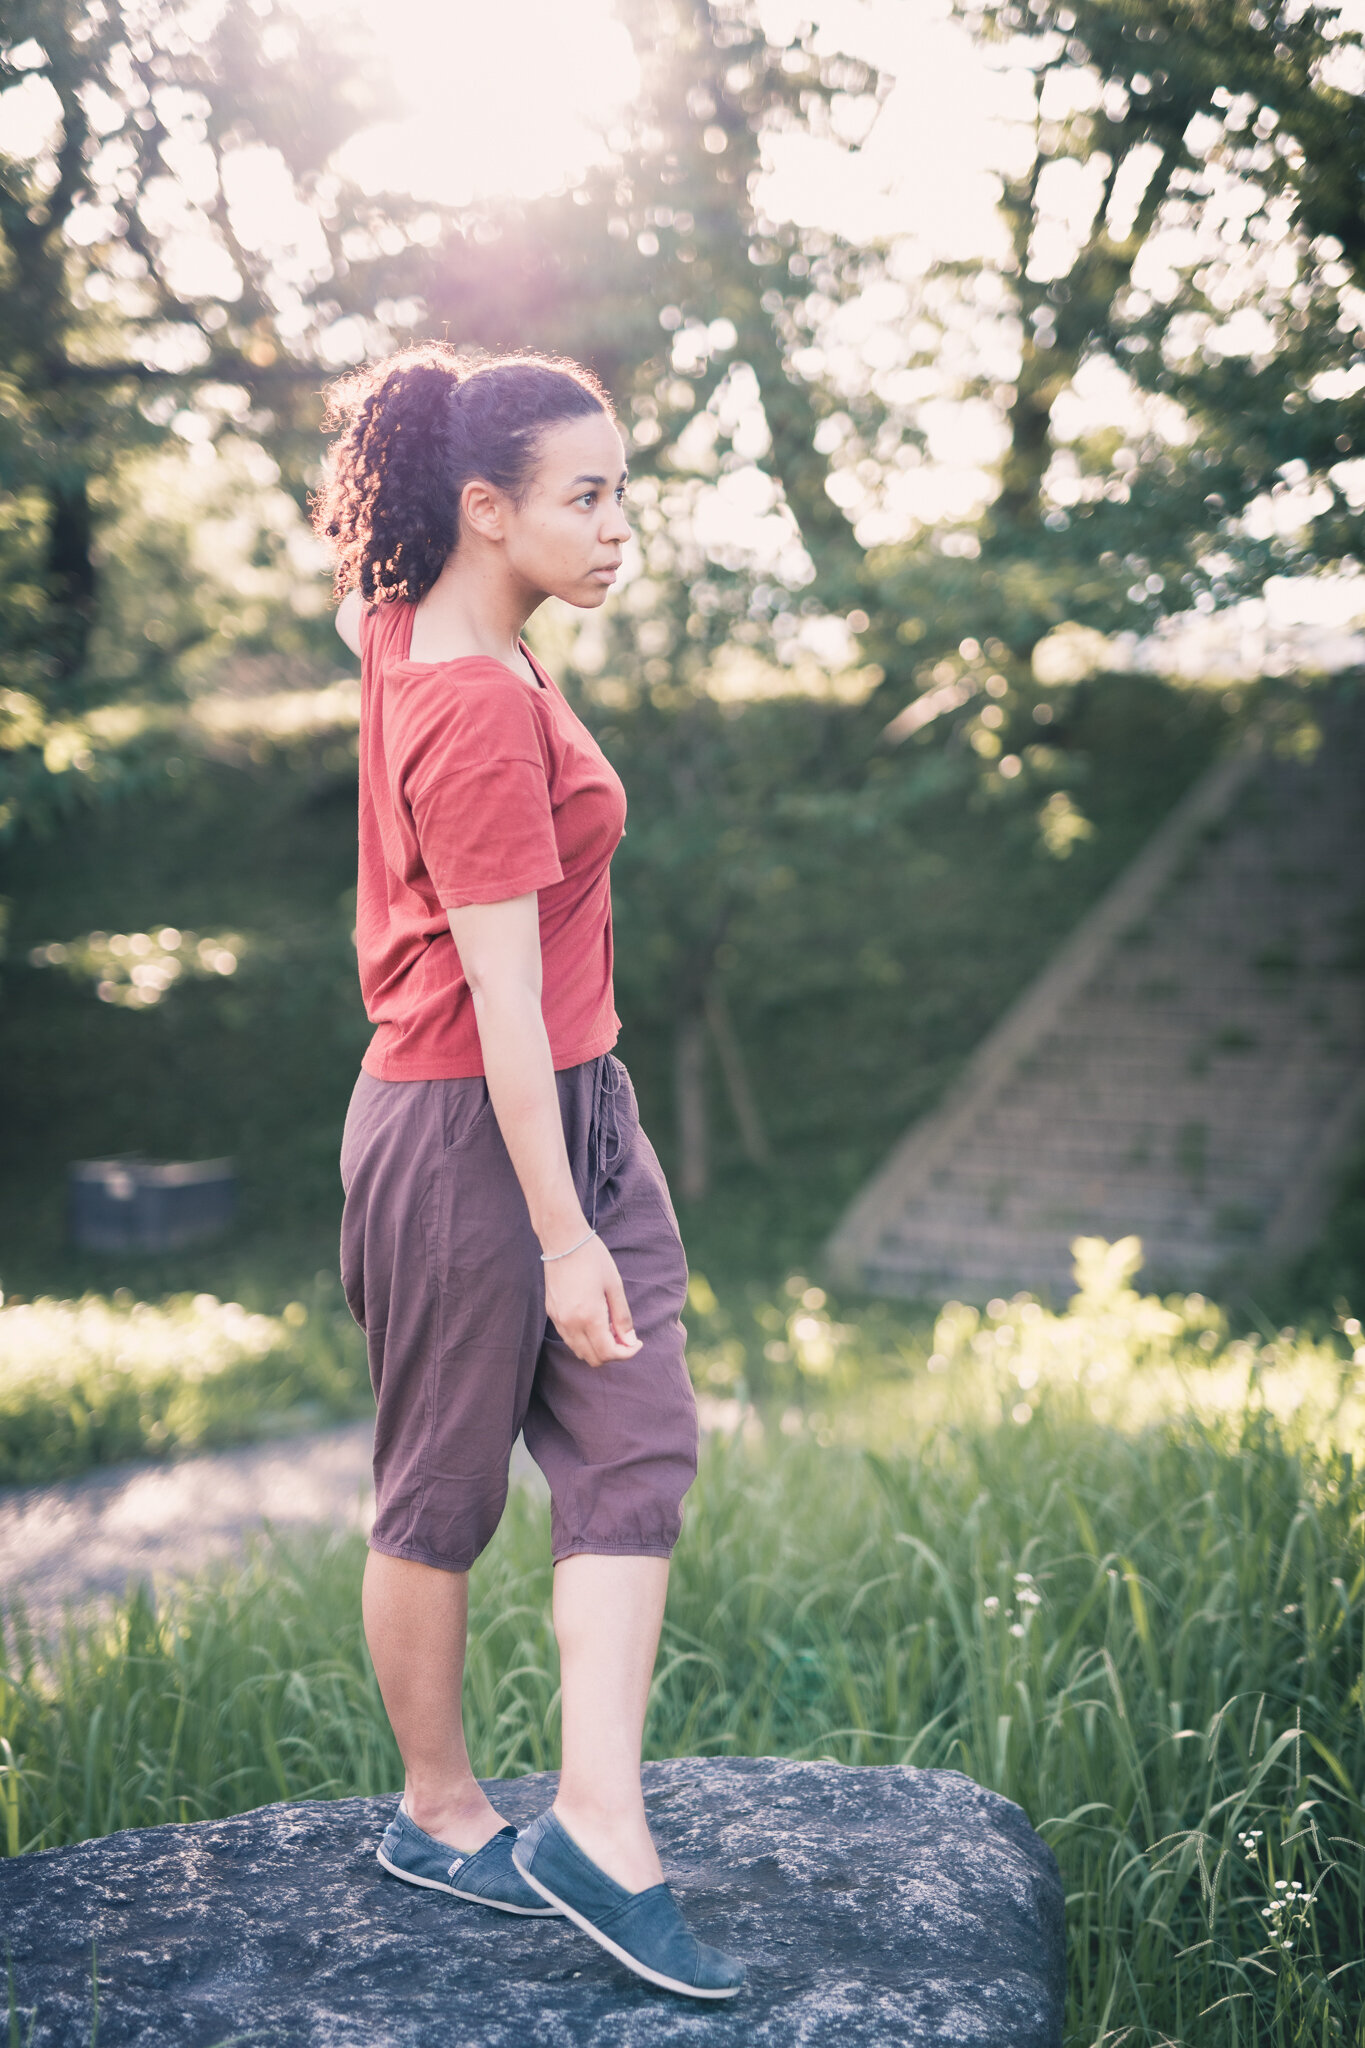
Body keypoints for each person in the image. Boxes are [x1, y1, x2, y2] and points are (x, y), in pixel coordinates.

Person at [313, 344, 744, 2002]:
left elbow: (353, 597)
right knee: (441, 1487)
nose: (619, 523)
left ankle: (597, 1824)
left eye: (620, 487)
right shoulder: (476, 709)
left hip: (575, 1100)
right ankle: (437, 1810)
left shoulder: (408, 620)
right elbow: (497, 994)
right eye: (587, 495)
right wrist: (562, 1235)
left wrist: (585, 1183)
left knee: (637, 1437)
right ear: (485, 512)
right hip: (466, 1128)